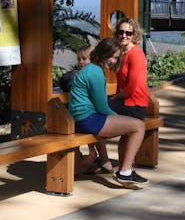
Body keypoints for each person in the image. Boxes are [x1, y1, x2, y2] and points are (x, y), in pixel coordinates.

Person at [68, 37, 148, 188]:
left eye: (116, 57)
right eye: (111, 56)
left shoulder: (92, 69)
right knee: (138, 126)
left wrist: (122, 121)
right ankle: (125, 172)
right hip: (88, 119)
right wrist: (121, 119)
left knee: (131, 126)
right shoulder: (95, 72)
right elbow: (102, 107)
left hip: (82, 118)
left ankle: (126, 169)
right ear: (103, 53)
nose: (113, 60)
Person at [60, 46, 112, 175]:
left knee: (95, 128)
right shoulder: (80, 76)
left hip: (82, 117)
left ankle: (92, 161)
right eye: (79, 59)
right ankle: (96, 161)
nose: (81, 62)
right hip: (78, 118)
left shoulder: (88, 75)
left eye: (84, 58)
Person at [110, 17, 150, 172]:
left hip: (133, 104)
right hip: (125, 101)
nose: (124, 35)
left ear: (134, 35)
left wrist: (113, 98)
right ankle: (122, 168)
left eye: (128, 33)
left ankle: (120, 168)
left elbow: (131, 88)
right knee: (124, 138)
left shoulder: (135, 55)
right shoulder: (122, 53)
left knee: (92, 114)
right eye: (121, 32)